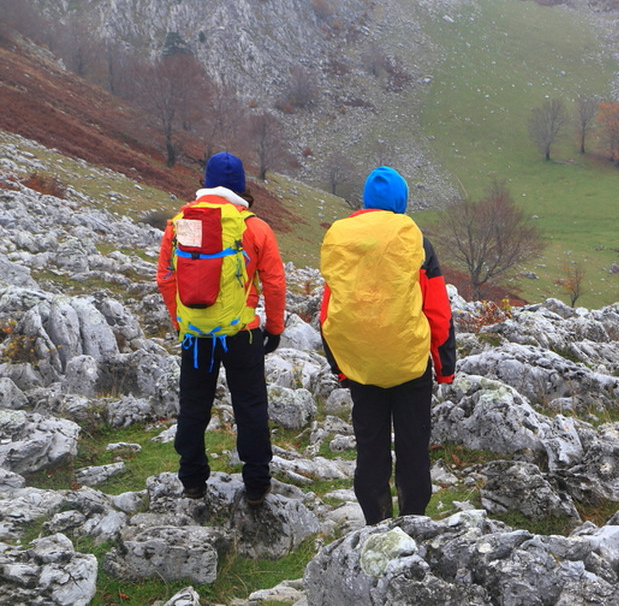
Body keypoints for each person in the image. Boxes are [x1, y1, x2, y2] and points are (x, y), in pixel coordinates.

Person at [319, 166, 456, 523]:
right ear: (401, 201)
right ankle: (412, 520)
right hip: (409, 364)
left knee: (370, 447)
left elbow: (329, 310)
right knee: (413, 446)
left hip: (362, 366)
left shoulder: (343, 239)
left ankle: (376, 522)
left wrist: (339, 364)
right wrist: (445, 367)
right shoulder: (415, 240)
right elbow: (437, 309)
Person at [156, 151, 286, 506]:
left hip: (196, 336)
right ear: (240, 186)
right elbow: (273, 282)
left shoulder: (181, 222)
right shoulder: (254, 226)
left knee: (194, 405)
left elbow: (166, 277)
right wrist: (274, 328)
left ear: (205, 182)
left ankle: (193, 480)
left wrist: (180, 320)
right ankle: (257, 484)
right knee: (250, 406)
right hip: (242, 333)